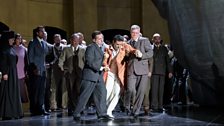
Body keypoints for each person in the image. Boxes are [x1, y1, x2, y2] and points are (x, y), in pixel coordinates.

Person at [73, 31, 112, 121]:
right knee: (84, 96)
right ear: (94, 40)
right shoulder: (91, 48)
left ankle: (102, 113)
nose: (101, 40)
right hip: (90, 75)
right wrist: (102, 67)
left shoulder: (101, 47)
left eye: (102, 38)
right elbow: (89, 62)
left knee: (102, 93)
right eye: (99, 39)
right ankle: (76, 113)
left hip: (98, 76)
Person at [103, 35, 139, 118]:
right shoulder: (108, 49)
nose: (119, 46)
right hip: (110, 74)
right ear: (113, 42)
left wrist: (136, 52)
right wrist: (105, 63)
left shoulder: (124, 46)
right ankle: (104, 109)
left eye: (120, 44)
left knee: (117, 93)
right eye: (117, 44)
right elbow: (105, 62)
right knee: (108, 92)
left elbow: (132, 50)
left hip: (120, 74)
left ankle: (109, 111)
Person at [124, 25, 153, 117]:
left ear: (139, 32)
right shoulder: (128, 43)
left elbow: (150, 53)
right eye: (133, 33)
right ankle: (127, 106)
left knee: (141, 92)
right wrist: (126, 55)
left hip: (142, 69)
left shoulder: (144, 40)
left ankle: (135, 111)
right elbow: (124, 58)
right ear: (130, 33)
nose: (135, 34)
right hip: (131, 69)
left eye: (136, 33)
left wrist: (142, 55)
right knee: (130, 89)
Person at [58, 33, 86, 116]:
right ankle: (71, 108)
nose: (75, 42)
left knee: (79, 90)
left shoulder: (83, 49)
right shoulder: (66, 49)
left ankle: (79, 108)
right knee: (70, 90)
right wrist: (62, 69)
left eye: (77, 41)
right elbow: (61, 60)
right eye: (74, 41)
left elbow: (85, 61)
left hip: (80, 73)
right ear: (71, 40)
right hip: (70, 73)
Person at [0, 31, 23, 120]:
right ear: (7, 40)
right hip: (8, 73)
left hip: (13, 72)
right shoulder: (4, 49)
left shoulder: (11, 48)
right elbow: (2, 62)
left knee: (13, 92)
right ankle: (7, 113)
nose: (13, 41)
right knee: (7, 92)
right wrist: (5, 73)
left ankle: (14, 112)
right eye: (11, 39)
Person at [27, 26, 50, 116]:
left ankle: (41, 108)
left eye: (44, 32)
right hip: (35, 70)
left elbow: (46, 54)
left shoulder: (44, 43)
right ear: (37, 33)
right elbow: (30, 57)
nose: (43, 33)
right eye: (41, 31)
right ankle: (34, 109)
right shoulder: (33, 43)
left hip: (43, 70)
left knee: (42, 90)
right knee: (35, 91)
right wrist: (34, 69)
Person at [151, 33, 172, 112]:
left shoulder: (164, 48)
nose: (157, 40)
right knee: (154, 89)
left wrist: (170, 71)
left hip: (162, 71)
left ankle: (160, 105)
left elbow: (167, 61)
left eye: (158, 38)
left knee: (161, 89)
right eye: (155, 38)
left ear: (160, 39)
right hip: (154, 71)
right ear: (153, 39)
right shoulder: (150, 48)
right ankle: (154, 106)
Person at [13, 33, 29, 103]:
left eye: (20, 38)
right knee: (14, 91)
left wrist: (26, 72)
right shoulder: (12, 48)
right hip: (14, 72)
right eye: (17, 38)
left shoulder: (24, 49)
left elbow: (26, 61)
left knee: (22, 92)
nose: (19, 40)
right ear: (15, 39)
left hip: (22, 73)